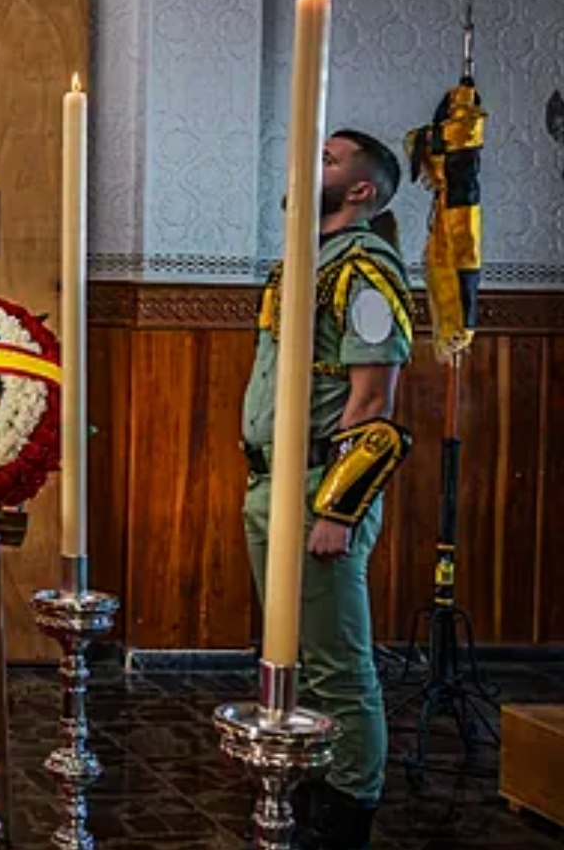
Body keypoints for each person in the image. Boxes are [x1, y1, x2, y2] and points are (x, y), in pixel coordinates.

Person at [241, 129, 413, 850]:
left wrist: (337, 509)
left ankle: (346, 815)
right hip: (270, 481)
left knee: (339, 667)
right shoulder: (309, 261)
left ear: (363, 189)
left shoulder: (365, 270)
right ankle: (303, 799)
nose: (311, 165)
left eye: (329, 159)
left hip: (318, 488)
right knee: (293, 659)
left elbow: (372, 402)